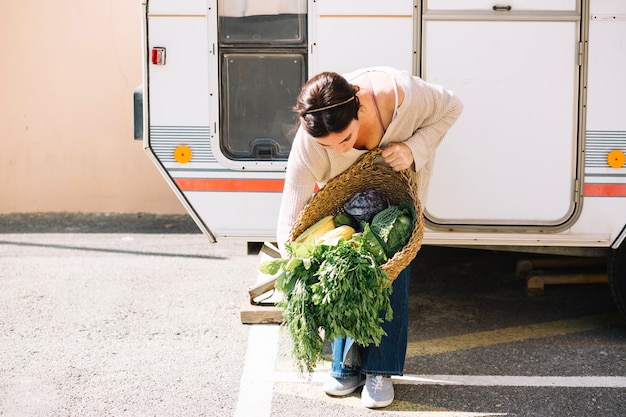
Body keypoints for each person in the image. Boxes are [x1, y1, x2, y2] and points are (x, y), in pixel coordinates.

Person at [276, 66, 463, 408]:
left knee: (391, 263)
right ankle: (344, 363)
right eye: (327, 146)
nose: (338, 149)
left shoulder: (403, 96)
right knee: (343, 264)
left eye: (345, 140)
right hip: (348, 203)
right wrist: (293, 263)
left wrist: (413, 147)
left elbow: (453, 106)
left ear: (359, 108)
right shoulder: (309, 143)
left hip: (399, 189)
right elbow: (293, 204)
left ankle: (380, 370)